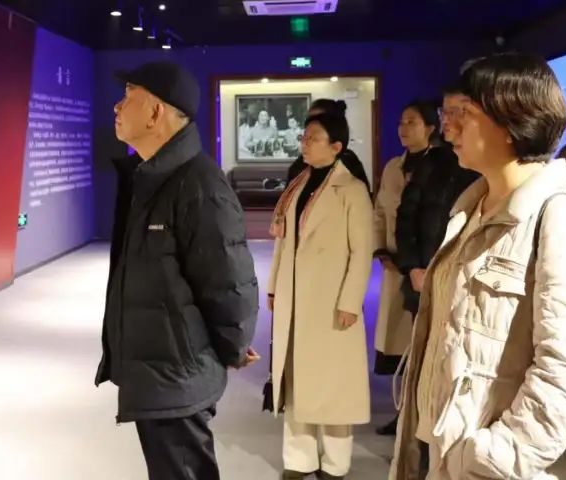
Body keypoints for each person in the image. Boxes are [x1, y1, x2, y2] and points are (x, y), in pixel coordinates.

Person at [391, 54, 566, 480]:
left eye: (464, 113)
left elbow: (565, 372)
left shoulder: (563, 220)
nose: (448, 127)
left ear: (513, 121)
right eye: (447, 114)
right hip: (445, 451)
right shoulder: (471, 210)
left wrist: (490, 457)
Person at [98, 61, 260, 480]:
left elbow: (228, 280)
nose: (117, 107)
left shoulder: (198, 184)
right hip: (159, 368)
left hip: (176, 371)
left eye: (128, 96)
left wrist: (234, 344)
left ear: (156, 112)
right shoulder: (152, 179)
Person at [267, 111, 374, 479]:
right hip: (296, 296)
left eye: (313, 138)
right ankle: (299, 459)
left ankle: (335, 462)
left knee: (333, 384)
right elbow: (283, 242)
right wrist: (274, 286)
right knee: (297, 379)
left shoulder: (352, 189)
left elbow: (362, 251)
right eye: (304, 137)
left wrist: (350, 301)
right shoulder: (298, 184)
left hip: (330, 300)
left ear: (336, 146)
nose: (305, 144)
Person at [371, 101, 437, 436]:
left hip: (425, 266)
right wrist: (380, 249)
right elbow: (380, 212)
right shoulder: (393, 167)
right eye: (401, 122)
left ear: (430, 128)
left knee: (424, 340)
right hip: (395, 264)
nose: (404, 128)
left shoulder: (440, 165)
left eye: (412, 122)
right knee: (401, 343)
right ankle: (404, 413)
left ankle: (423, 415)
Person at [395, 85, 481, 319]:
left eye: (456, 111)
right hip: (425, 275)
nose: (447, 119)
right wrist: (412, 266)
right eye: (444, 112)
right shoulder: (432, 161)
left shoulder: (483, 166)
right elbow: (406, 216)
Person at [286, 98, 370, 192]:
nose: (311, 126)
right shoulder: (298, 167)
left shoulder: (349, 164)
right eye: (309, 120)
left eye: (318, 120)